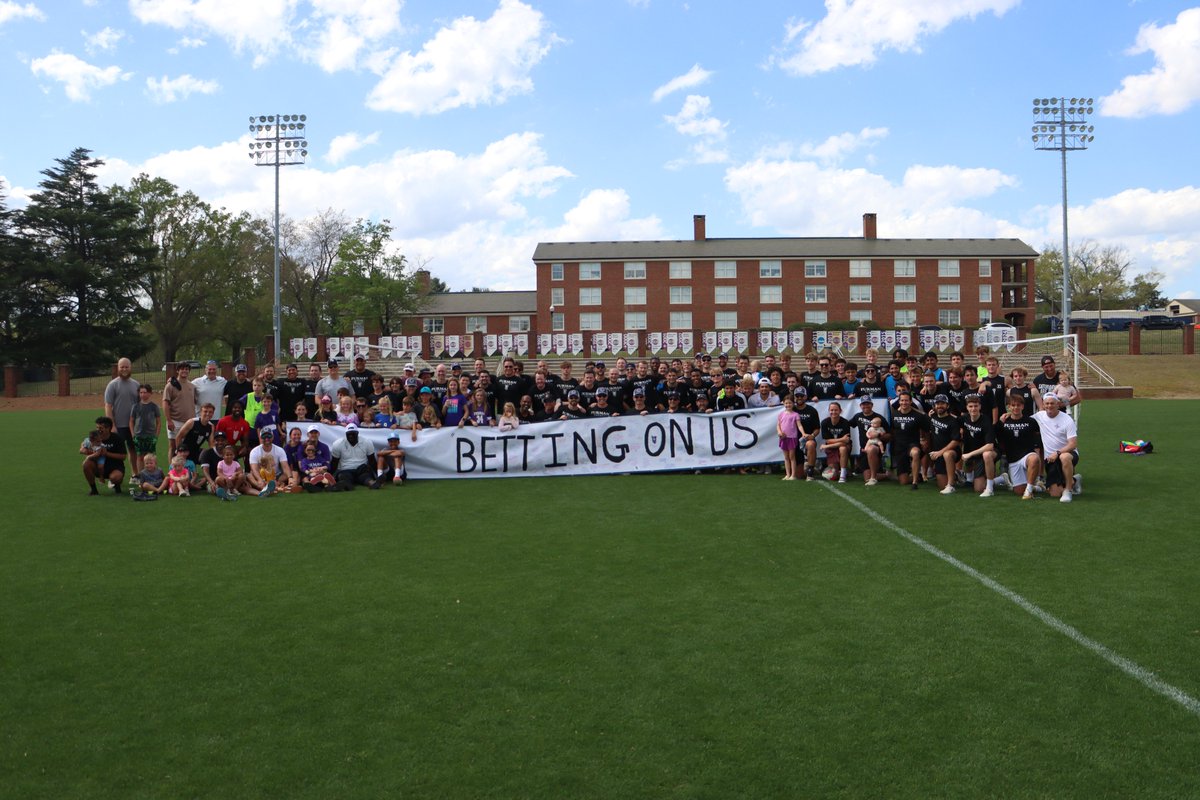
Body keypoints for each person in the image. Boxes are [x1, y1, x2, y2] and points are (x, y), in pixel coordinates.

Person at [1033, 394, 1080, 502]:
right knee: (1055, 493)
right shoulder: (1039, 416)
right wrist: (1008, 415)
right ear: (1043, 405)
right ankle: (1074, 481)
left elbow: (1073, 444)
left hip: (1068, 454)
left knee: (1064, 457)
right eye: (1047, 403)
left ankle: (1068, 490)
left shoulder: (1067, 419)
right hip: (1050, 459)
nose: (1049, 406)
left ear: (1058, 404)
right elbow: (1023, 420)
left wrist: (1057, 453)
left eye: (1052, 403)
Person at [996, 393, 1043, 500]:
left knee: (1034, 458)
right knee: (1018, 491)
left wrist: (1037, 453)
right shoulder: (1004, 421)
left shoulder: (1031, 421)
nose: (1016, 407)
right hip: (1013, 460)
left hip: (1027, 456)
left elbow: (1037, 439)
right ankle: (1038, 488)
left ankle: (1029, 491)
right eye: (1013, 405)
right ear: (1008, 406)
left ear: (1022, 406)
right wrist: (1000, 422)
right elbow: (996, 436)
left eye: (1018, 405)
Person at [959, 393, 998, 498]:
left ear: (980, 407)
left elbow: (990, 446)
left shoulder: (985, 421)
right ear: (967, 408)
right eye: (970, 406)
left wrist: (970, 454)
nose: (973, 409)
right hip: (972, 452)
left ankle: (989, 488)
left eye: (976, 406)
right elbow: (951, 420)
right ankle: (969, 478)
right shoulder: (964, 418)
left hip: (986, 452)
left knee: (979, 489)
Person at [889, 392, 929, 490]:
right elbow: (891, 431)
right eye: (902, 400)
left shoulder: (918, 416)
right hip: (899, 447)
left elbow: (927, 429)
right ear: (899, 401)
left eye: (906, 400)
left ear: (910, 401)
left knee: (916, 453)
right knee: (903, 481)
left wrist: (924, 440)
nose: (904, 402)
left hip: (912, 444)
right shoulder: (894, 415)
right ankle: (918, 477)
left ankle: (915, 482)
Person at [104, 357, 141, 458]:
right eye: (122, 367)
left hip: (133, 426)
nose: (124, 369)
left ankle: (135, 473)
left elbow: (140, 405)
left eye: (126, 367)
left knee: (133, 449)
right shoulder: (112, 385)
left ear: (130, 367)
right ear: (118, 368)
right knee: (116, 451)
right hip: (118, 426)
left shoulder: (136, 384)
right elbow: (108, 406)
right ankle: (116, 471)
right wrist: (112, 426)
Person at [82, 416, 127, 495]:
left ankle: (117, 487)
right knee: (86, 464)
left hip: (114, 466)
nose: (98, 430)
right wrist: (88, 451)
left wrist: (107, 454)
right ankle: (94, 490)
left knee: (115, 477)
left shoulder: (117, 438)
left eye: (100, 428)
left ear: (108, 428)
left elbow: (123, 456)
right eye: (97, 427)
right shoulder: (93, 437)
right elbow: (83, 448)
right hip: (97, 465)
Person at [926, 395, 962, 494]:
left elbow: (955, 441)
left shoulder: (953, 420)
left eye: (942, 403)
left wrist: (940, 452)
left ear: (947, 405)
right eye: (937, 403)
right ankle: (956, 475)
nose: (940, 406)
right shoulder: (932, 416)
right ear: (934, 405)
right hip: (937, 452)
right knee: (941, 485)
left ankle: (951, 485)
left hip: (952, 451)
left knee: (947, 454)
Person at [850, 397, 889, 486]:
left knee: (871, 449)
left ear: (872, 405)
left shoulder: (879, 418)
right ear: (860, 406)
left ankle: (874, 477)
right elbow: (848, 424)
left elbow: (890, 435)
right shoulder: (858, 416)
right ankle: (886, 474)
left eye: (868, 403)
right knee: (867, 477)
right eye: (863, 404)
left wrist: (878, 435)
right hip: (864, 449)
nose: (866, 406)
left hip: (876, 447)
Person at [162, 362, 197, 458]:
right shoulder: (170, 386)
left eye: (186, 369)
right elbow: (165, 403)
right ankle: (171, 470)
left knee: (187, 447)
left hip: (189, 422)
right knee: (173, 447)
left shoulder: (192, 386)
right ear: (178, 371)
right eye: (182, 369)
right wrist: (169, 420)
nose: (184, 371)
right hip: (175, 421)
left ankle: (187, 469)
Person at [330, 423, 377, 491]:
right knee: (343, 476)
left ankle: (372, 483)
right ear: (345, 434)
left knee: (366, 476)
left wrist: (377, 475)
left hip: (361, 469)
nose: (351, 436)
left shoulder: (367, 442)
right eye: (348, 434)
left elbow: (372, 460)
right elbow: (334, 462)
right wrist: (331, 476)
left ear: (357, 433)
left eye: (353, 433)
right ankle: (347, 485)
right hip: (345, 470)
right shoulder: (337, 444)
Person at [129, 383, 161, 475]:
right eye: (141, 392)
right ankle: (141, 476)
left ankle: (154, 475)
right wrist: (133, 434)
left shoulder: (154, 406)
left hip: (150, 436)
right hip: (138, 435)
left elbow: (158, 422)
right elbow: (131, 421)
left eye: (145, 392)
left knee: (151, 457)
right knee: (139, 456)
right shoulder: (135, 406)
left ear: (150, 393)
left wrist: (156, 436)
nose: (143, 394)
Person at [819, 401, 853, 483]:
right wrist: (841, 439)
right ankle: (843, 471)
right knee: (833, 474)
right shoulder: (824, 422)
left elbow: (846, 442)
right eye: (831, 410)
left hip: (841, 447)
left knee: (843, 448)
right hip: (832, 449)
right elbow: (828, 440)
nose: (833, 412)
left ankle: (843, 475)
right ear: (829, 411)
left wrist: (826, 446)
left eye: (836, 410)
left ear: (840, 411)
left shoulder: (845, 422)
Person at [792, 388, 821, 481]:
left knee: (811, 444)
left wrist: (812, 436)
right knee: (799, 475)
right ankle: (805, 466)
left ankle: (810, 471)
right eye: (797, 396)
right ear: (794, 397)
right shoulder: (791, 409)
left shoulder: (812, 410)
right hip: (794, 440)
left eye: (801, 396)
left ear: (805, 397)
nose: (799, 398)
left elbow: (817, 428)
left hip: (807, 439)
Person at [776, 393, 801, 480]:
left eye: (790, 403)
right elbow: (778, 425)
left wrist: (804, 433)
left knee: (792, 457)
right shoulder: (781, 414)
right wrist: (779, 432)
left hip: (792, 438)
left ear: (793, 404)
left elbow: (799, 425)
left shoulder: (795, 415)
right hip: (783, 438)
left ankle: (793, 475)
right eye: (786, 403)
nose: (788, 405)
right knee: (786, 457)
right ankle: (787, 474)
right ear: (783, 403)